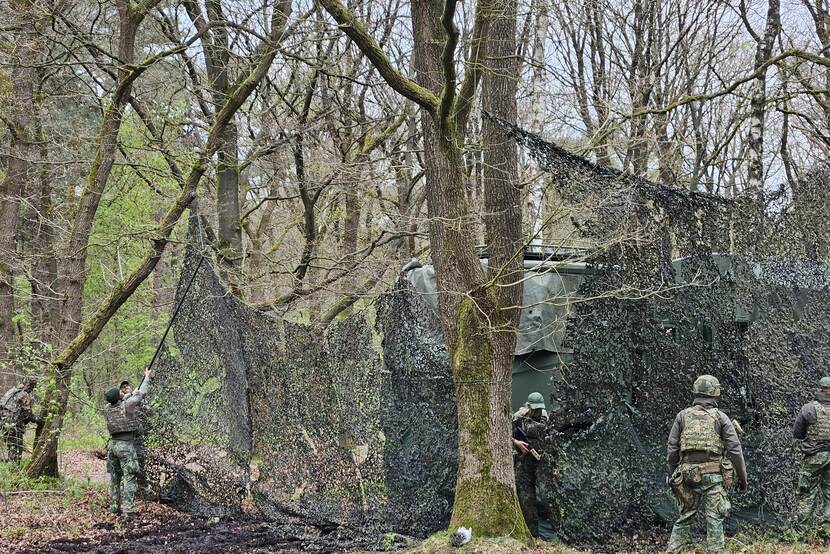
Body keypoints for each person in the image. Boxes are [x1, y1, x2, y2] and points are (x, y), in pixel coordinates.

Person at [666, 375, 747, 554]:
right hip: (713, 475)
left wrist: (675, 475)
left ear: (695, 391)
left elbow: (672, 450)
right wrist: (742, 478)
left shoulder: (682, 416)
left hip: (687, 475)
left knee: (684, 518)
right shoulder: (721, 417)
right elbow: (735, 450)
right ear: (715, 393)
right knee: (714, 520)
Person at [104, 367, 151, 517]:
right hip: (125, 446)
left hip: (112, 446)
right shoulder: (127, 405)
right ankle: (128, 510)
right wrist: (146, 377)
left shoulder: (107, 408)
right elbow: (142, 394)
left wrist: (131, 394)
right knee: (130, 477)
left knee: (115, 479)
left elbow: (124, 400)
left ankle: (114, 507)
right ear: (118, 397)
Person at [793, 376, 830, 527]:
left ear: (820, 388)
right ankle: (826, 531)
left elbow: (798, 433)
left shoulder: (808, 408)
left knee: (806, 493)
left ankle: (801, 533)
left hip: (814, 456)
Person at [513, 391, 549, 537]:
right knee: (526, 499)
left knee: (546, 498)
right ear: (529, 406)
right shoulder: (518, 417)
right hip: (524, 462)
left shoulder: (544, 418)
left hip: (541, 464)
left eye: (540, 408)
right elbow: (504, 434)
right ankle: (532, 535)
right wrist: (516, 443)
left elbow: (544, 433)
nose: (538, 411)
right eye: (535, 408)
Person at [0, 378, 43, 465]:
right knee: (16, 449)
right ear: (29, 385)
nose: (31, 390)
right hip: (14, 425)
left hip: (3, 423)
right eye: (32, 387)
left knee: (11, 446)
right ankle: (14, 469)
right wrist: (38, 420)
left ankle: (11, 468)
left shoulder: (12, 391)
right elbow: (28, 414)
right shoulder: (24, 394)